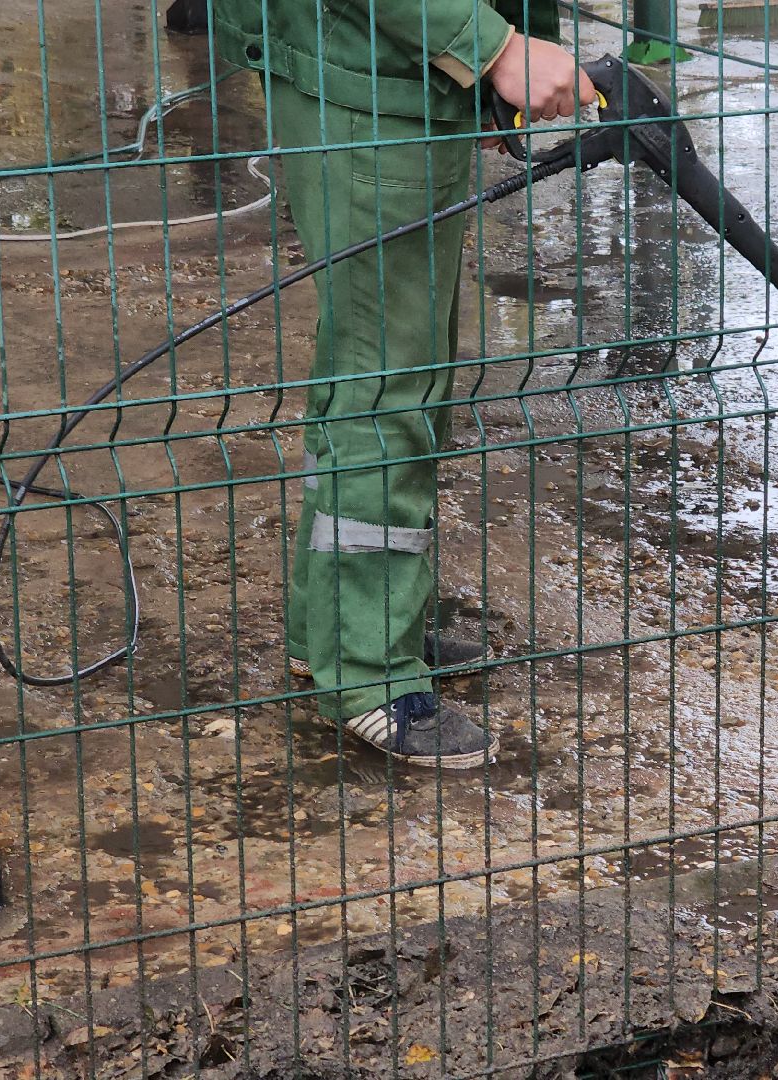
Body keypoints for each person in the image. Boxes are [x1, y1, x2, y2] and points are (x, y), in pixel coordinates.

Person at [213, 0, 596, 768]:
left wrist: (493, 58)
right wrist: (489, 48)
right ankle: (368, 674)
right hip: (371, 80)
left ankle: (334, 629)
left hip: (400, 69)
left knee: (380, 361)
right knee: (388, 382)